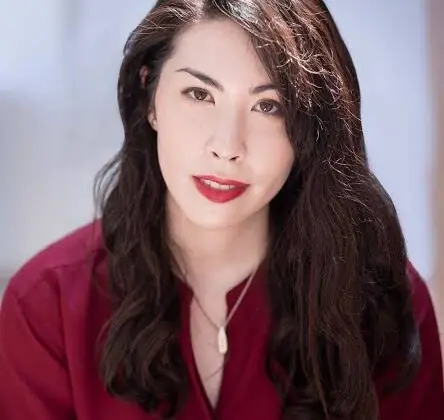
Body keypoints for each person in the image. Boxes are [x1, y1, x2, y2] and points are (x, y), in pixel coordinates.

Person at [0, 0, 443, 419]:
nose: (228, 146)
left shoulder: (383, 301)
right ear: (150, 96)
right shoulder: (45, 305)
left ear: (309, 128)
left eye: (269, 106)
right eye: (199, 94)